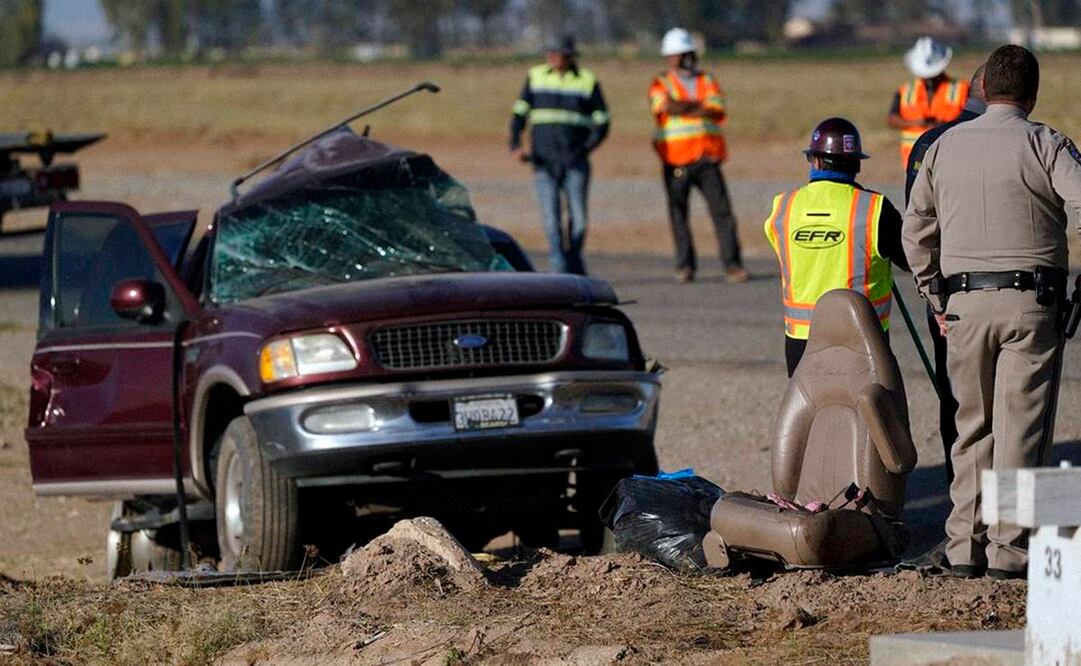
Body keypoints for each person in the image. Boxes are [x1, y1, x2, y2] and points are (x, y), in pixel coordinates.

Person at [903, 44, 1081, 580]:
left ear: (981, 90)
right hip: (1032, 305)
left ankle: (963, 547)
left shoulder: (941, 146)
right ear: (1032, 93)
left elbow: (916, 234)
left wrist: (938, 299)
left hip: (961, 306)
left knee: (970, 428)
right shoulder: (1045, 142)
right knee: (1022, 427)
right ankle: (1011, 553)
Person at [765, 118, 908, 376]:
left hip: (802, 341)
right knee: (871, 412)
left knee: (812, 412)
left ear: (815, 161)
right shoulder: (875, 209)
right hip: (863, 337)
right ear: (857, 164)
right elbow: (911, 259)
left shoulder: (783, 207)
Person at [903, 62, 986, 487]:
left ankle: (961, 494)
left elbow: (917, 231)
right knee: (1012, 405)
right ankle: (1007, 517)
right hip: (1012, 295)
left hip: (947, 295)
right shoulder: (1028, 138)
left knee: (955, 397)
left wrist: (933, 297)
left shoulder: (928, 143)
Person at [648, 28, 748, 284]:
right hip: (675, 159)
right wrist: (698, 106)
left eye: (683, 54)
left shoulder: (708, 79)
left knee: (722, 213)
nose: (680, 59)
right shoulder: (661, 82)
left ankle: (732, 265)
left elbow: (717, 107)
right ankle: (685, 266)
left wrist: (683, 107)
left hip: (707, 158)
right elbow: (664, 106)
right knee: (679, 214)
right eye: (675, 55)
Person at [509, 35, 609, 275]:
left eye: (559, 53)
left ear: (570, 56)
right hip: (543, 162)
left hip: (575, 162)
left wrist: (586, 148)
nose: (553, 57)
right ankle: (559, 266)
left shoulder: (587, 81)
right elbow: (520, 113)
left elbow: (602, 121)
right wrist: (515, 144)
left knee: (579, 220)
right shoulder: (535, 76)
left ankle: (574, 259)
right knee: (552, 220)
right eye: (550, 52)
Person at [888, 37, 969, 170]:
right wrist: (915, 123)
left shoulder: (961, 88)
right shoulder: (906, 90)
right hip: (914, 163)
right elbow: (892, 119)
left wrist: (942, 126)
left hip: (950, 159)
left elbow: (972, 120)